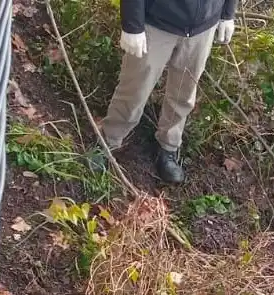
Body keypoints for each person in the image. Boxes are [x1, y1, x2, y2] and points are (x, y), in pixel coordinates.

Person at [99, 0, 238, 184]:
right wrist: (132, 25)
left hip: (203, 26)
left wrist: (228, 13)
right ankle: (108, 140)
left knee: (184, 93)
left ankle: (168, 147)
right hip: (156, 21)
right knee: (135, 89)